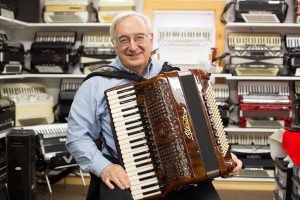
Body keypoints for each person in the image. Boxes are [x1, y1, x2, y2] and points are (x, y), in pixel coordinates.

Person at [66, 11, 243, 200]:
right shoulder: (95, 84)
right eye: (124, 40)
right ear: (114, 44)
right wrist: (105, 167)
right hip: (127, 173)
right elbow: (77, 138)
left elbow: (205, 128)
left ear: (151, 39)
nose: (133, 47)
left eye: (139, 38)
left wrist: (224, 157)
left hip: (182, 172)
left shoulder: (174, 78)